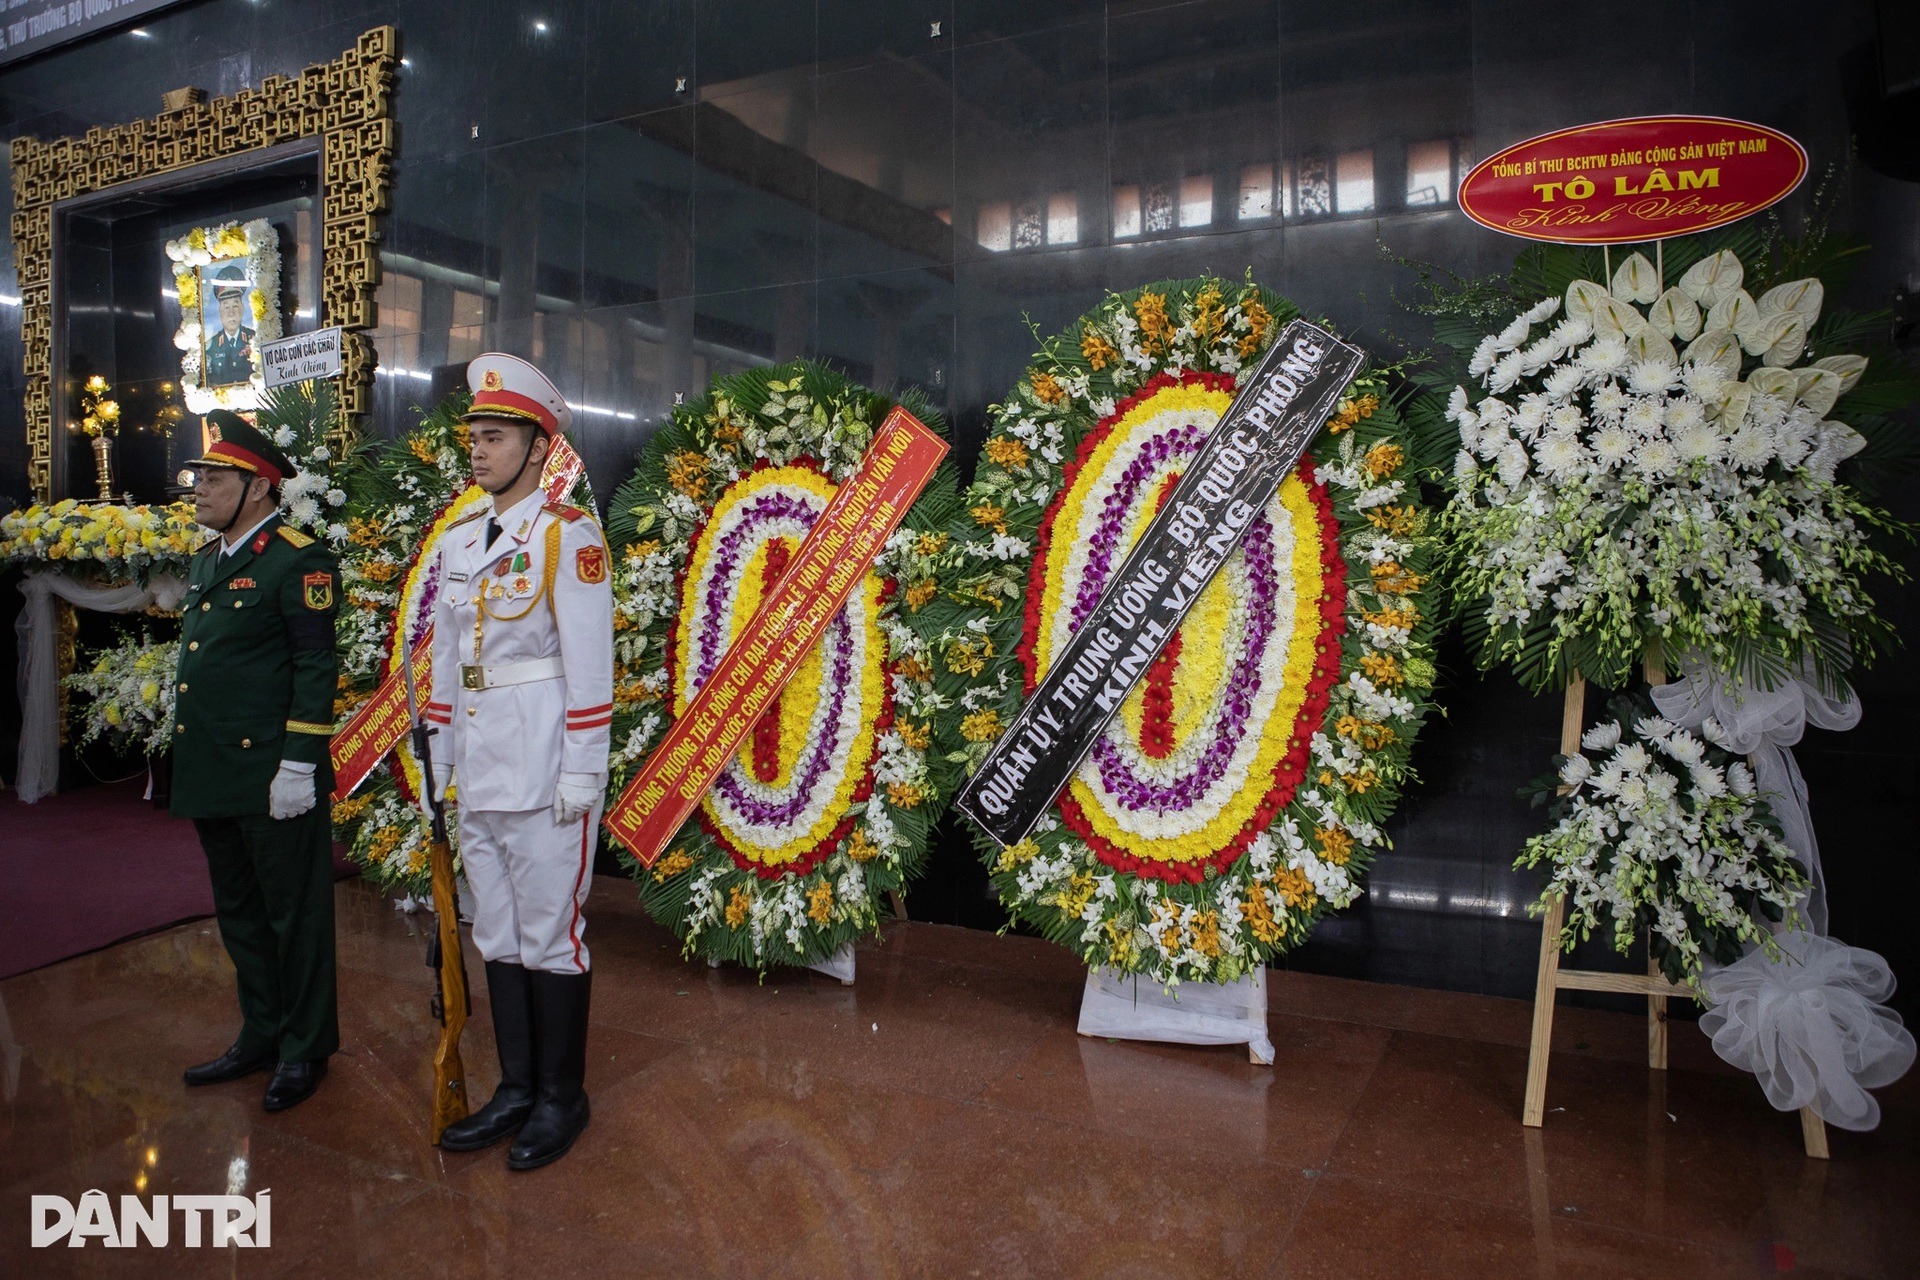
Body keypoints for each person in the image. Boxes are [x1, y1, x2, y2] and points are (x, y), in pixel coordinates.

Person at [426, 353, 612, 1170]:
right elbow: (443, 662)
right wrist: (436, 761)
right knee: (495, 928)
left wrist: (584, 771)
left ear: (539, 448)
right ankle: (515, 1088)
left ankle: (560, 1099)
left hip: (544, 770)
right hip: (477, 768)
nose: (478, 449)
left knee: (550, 935)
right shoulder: (463, 540)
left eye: (495, 437)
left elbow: (590, 668)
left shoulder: (569, 539)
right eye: (474, 436)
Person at [172, 410, 340, 1112]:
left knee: (293, 916)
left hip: (273, 775)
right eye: (200, 475)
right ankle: (261, 1033)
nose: (201, 488)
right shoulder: (210, 560)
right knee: (239, 913)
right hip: (215, 770)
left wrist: (299, 763)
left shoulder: (297, 558)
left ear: (260, 488)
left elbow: (314, 664)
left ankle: (305, 1049)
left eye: (215, 477)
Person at [203, 264, 256, 387]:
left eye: (235, 306)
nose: (231, 313)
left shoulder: (255, 339)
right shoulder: (210, 347)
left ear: (242, 308)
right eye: (226, 307)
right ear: (219, 311)